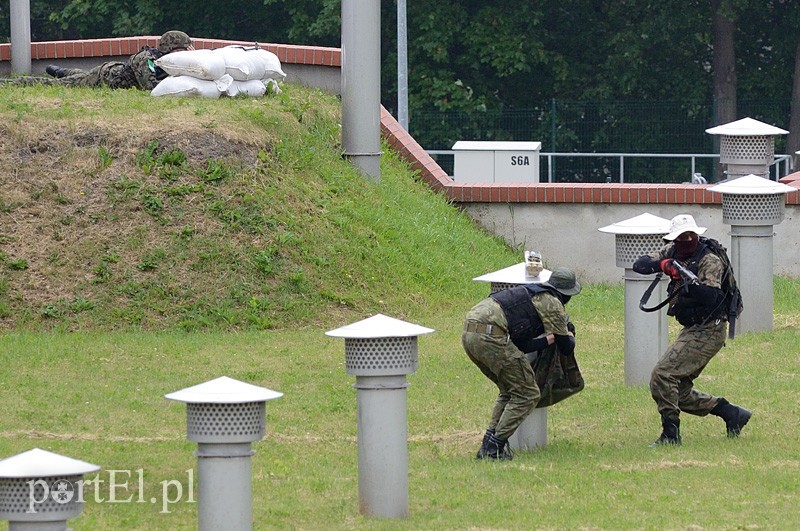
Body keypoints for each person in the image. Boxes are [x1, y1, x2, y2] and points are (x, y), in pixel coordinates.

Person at [633, 214, 751, 446]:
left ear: (696, 235)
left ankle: (670, 435)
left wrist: (687, 282)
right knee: (679, 390)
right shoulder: (673, 251)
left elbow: (711, 297)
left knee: (663, 375)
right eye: (681, 237)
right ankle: (731, 413)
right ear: (674, 239)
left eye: (690, 235)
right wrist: (664, 266)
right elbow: (640, 264)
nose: (687, 240)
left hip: (710, 329)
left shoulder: (709, 260)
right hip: (693, 328)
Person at [462, 267, 581, 460]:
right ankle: (494, 448)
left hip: (470, 332)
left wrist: (549, 339)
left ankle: (489, 444)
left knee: (510, 390)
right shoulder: (552, 303)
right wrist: (568, 333)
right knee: (527, 393)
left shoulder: (529, 295)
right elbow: (567, 347)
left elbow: (522, 345)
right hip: (491, 336)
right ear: (565, 294)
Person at [18, 30, 193, 90]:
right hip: (104, 77)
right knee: (64, 85)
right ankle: (15, 82)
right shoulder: (147, 59)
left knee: (78, 75)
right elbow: (151, 86)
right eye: (183, 50)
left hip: (110, 71)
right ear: (172, 49)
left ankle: (61, 71)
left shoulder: (167, 61)